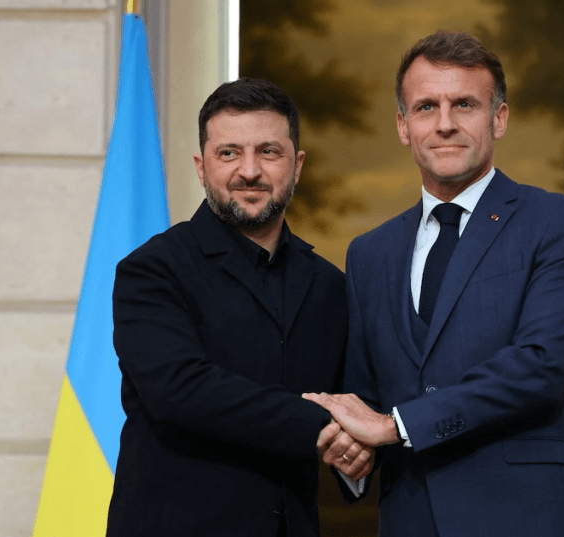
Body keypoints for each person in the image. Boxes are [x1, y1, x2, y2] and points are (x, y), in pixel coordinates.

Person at [304, 31, 564, 536]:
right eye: (426, 107)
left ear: (499, 117)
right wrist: (351, 452)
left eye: (464, 104)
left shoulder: (558, 221)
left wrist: (394, 426)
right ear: (404, 126)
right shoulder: (369, 254)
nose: (444, 124)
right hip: (412, 518)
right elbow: (366, 396)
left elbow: (542, 364)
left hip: (533, 518)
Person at [105, 78, 371, 537]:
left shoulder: (330, 287)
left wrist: (363, 447)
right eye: (229, 153)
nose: (249, 171)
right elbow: (181, 390)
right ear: (201, 167)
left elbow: (359, 401)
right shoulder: (151, 270)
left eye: (269, 152)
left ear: (297, 164)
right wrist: (328, 424)